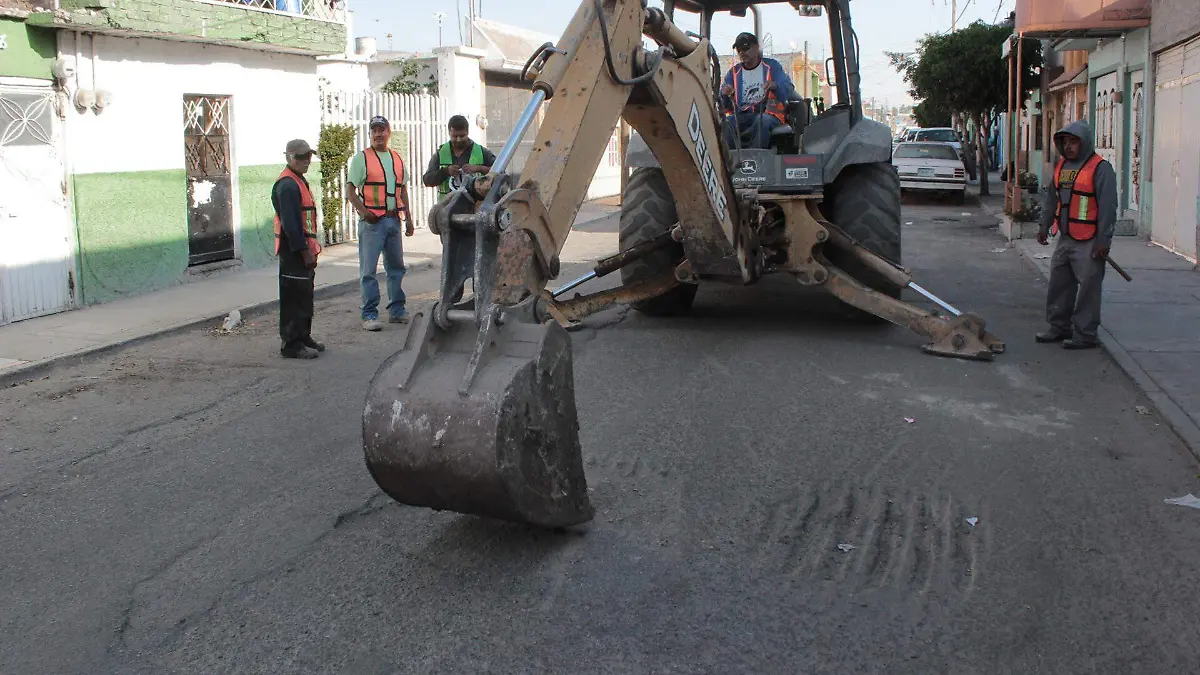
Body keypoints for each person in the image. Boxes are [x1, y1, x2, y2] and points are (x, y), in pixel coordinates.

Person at [1035, 119, 1117, 350]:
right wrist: (1044, 225)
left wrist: (1104, 240)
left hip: (1090, 241)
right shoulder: (1061, 168)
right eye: (1065, 142)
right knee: (1059, 284)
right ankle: (1059, 327)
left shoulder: (1101, 169)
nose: (1069, 147)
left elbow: (1108, 207)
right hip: (1066, 237)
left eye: (1073, 142)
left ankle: (1086, 333)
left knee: (1089, 289)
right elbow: (1052, 199)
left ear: (1085, 143)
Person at [346, 115, 414, 332]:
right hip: (372, 224)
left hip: (393, 220)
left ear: (388, 132)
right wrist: (364, 212)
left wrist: (409, 219)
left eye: (382, 130)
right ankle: (369, 315)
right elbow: (350, 191)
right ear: (370, 134)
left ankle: (396, 310)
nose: (378, 134)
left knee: (396, 268)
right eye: (374, 130)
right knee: (368, 271)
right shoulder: (361, 159)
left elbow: (402, 189)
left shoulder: (396, 158)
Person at [272, 138, 324, 359]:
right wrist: (303, 251)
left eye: (309, 156)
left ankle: (303, 336)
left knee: (304, 296)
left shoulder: (298, 180)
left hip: (303, 249)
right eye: (302, 157)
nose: (307, 161)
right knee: (294, 297)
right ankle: (291, 343)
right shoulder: (287, 185)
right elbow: (291, 224)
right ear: (290, 157)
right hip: (294, 251)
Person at [718, 32, 797, 150]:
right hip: (742, 115)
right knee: (726, 123)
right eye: (739, 50)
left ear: (756, 48)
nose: (742, 52)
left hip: (769, 114)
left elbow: (788, 87)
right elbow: (725, 105)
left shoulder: (772, 66)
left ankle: (756, 158)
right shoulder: (733, 72)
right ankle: (732, 160)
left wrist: (775, 86)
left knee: (762, 121)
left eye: (745, 48)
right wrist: (724, 94)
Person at [422, 114, 498, 198]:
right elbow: (427, 180)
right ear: (449, 133)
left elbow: (500, 174)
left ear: (468, 132)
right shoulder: (441, 153)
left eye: (462, 136)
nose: (458, 140)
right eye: (455, 136)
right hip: (446, 208)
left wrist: (479, 168)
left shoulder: (481, 152)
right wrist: (446, 172)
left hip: (475, 207)